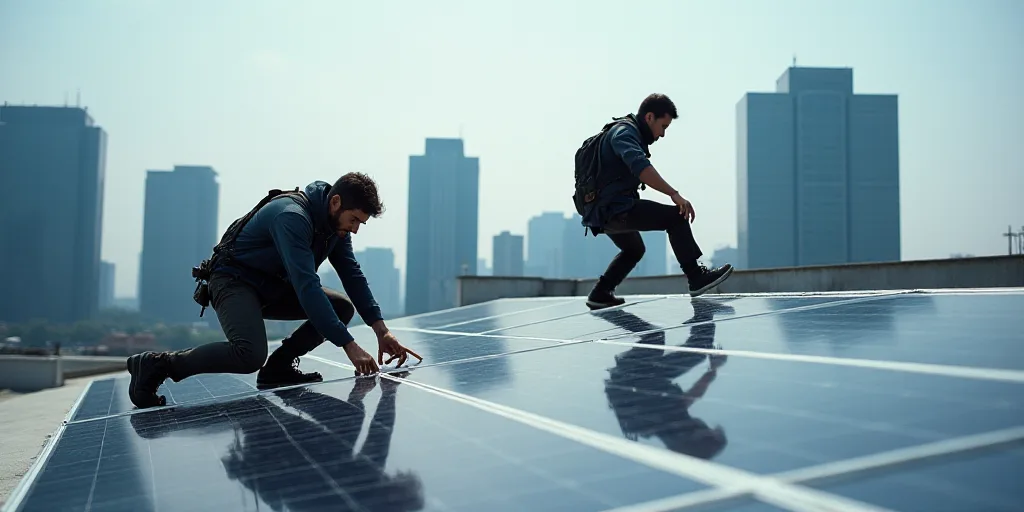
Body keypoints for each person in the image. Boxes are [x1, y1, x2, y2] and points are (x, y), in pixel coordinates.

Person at [126, 172, 420, 409]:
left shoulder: (335, 229)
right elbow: (307, 286)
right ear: (335, 203)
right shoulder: (292, 217)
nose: (355, 229)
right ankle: (157, 365)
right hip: (233, 282)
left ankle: (278, 368)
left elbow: (352, 276)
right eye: (354, 219)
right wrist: (349, 345)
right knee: (249, 355)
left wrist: (382, 331)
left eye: (361, 223)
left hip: (272, 287)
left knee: (342, 307)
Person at [575, 93, 734, 310]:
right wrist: (674, 194)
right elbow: (641, 168)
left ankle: (601, 293)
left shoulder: (625, 131)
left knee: (634, 250)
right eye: (663, 126)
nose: (663, 134)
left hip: (603, 210)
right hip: (613, 209)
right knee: (675, 217)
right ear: (649, 117)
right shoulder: (624, 133)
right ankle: (696, 277)